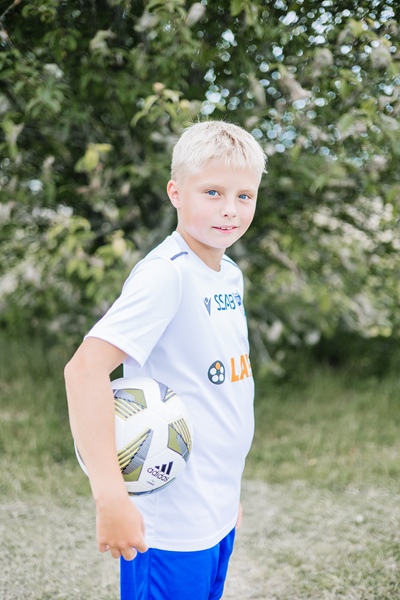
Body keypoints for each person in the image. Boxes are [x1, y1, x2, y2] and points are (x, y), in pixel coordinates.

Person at [64, 120, 266, 600]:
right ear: (176, 192)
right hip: (170, 521)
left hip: (214, 507)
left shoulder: (228, 273)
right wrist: (111, 497)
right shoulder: (165, 275)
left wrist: (226, 495)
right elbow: (84, 371)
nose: (230, 209)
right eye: (213, 192)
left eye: (244, 196)